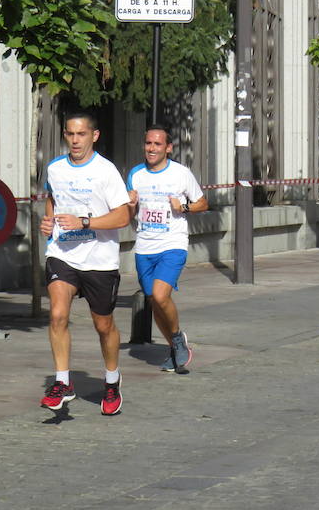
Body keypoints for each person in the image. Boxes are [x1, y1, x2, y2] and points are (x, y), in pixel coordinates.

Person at [39, 113, 130, 415]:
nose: (75, 140)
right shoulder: (55, 168)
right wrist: (48, 222)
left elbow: (122, 216)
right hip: (63, 253)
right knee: (57, 314)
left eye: (81, 134)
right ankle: (63, 382)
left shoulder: (106, 171)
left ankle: (112, 381)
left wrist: (86, 221)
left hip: (99, 259)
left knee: (103, 325)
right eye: (70, 134)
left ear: (95, 136)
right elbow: (54, 198)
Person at [127, 126, 208, 373]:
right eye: (148, 143)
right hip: (144, 245)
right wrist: (130, 205)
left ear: (168, 148)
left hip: (172, 243)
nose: (151, 148)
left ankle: (176, 340)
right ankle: (175, 348)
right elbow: (130, 214)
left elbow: (203, 203)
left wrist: (183, 206)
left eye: (157, 144)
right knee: (154, 300)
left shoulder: (181, 174)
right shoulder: (136, 174)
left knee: (161, 296)